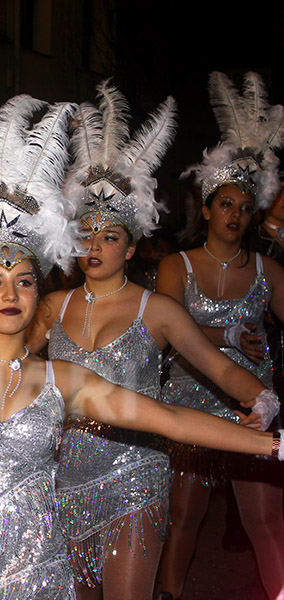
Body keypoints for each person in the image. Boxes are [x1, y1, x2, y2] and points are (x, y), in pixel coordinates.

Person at [0, 101, 282, 600]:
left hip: (41, 576)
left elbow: (170, 420)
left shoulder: (61, 379)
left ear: (36, 290)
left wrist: (273, 445)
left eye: (23, 281)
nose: (10, 294)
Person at [27, 82, 279, 600]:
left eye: (110, 236)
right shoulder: (52, 308)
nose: (94, 245)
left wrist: (261, 395)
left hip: (137, 474)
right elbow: (4, 364)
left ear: (133, 245)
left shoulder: (156, 310)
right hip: (65, 476)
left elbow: (217, 366)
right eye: (86, 234)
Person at [155, 72, 284, 600]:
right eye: (225, 204)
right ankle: (169, 595)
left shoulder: (268, 271)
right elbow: (163, 330)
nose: (235, 214)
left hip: (254, 406)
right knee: (184, 519)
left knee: (265, 520)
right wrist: (226, 332)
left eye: (244, 206)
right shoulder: (175, 266)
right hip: (192, 403)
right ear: (206, 208)